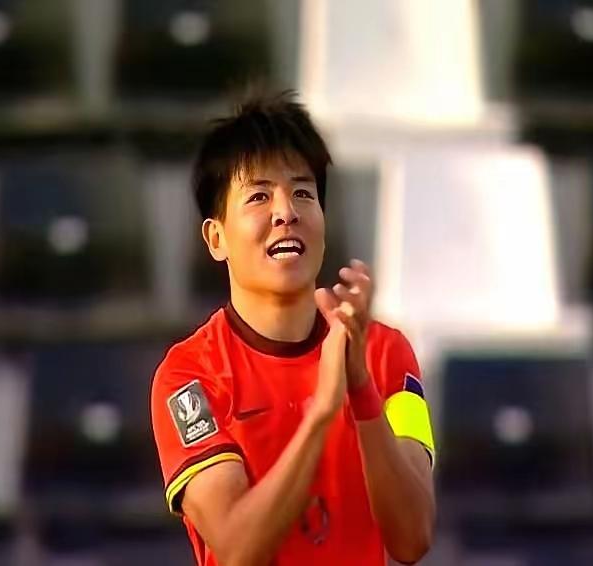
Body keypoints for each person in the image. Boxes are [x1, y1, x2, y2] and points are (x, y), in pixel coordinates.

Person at [150, 90, 436, 566]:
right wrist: (322, 411)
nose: (287, 212)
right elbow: (238, 549)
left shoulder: (388, 353)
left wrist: (360, 388)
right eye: (259, 196)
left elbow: (413, 537)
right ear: (216, 238)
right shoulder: (187, 378)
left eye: (303, 192)